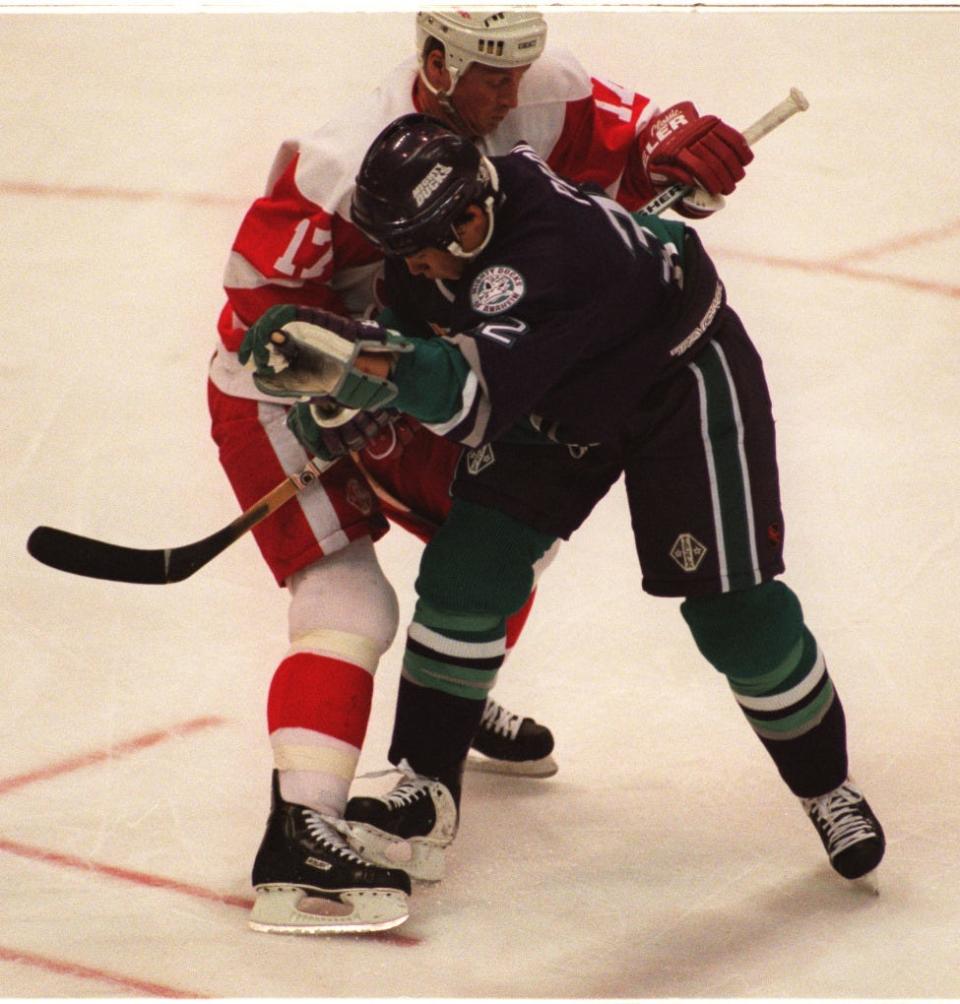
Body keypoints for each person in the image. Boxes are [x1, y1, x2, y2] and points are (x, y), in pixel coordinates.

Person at [241, 113, 885, 896]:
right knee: (466, 575)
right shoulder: (431, 244)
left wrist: (368, 371)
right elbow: (414, 332)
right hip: (554, 398)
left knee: (735, 614)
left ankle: (827, 787)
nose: (434, 259)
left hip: (676, 383)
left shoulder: (558, 251)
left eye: (452, 233)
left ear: (481, 201)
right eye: (415, 247)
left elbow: (472, 399)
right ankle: (427, 788)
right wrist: (352, 395)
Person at [215, 10, 754, 933]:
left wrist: (680, 157)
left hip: (421, 368)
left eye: (520, 74)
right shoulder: (341, 162)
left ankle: (455, 706)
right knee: (352, 599)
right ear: (433, 61)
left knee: (501, 527)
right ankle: (300, 830)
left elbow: (638, 165)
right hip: (291, 394)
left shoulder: (545, 91)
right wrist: (328, 384)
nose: (511, 98)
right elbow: (257, 314)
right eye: (489, 78)